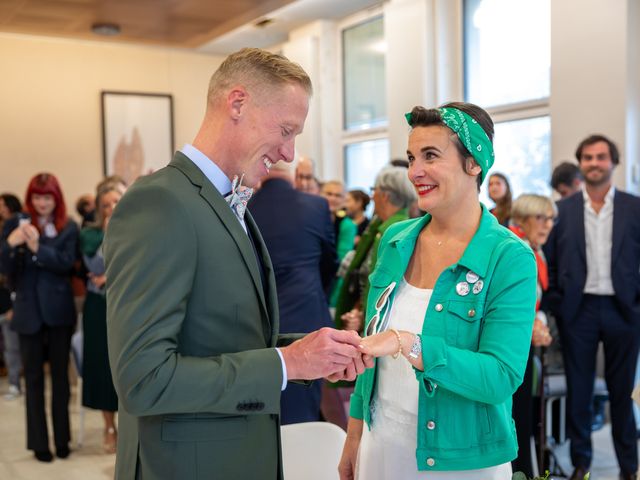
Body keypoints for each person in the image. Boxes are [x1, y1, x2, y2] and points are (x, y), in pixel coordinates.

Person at [104, 47, 369, 480]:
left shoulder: (229, 201)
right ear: (238, 103)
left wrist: (313, 353)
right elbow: (143, 378)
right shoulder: (160, 202)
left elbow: (219, 335)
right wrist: (287, 363)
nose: (288, 152)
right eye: (286, 130)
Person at [339, 103, 537, 479]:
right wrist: (354, 434)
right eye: (412, 157)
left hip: (460, 460)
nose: (415, 171)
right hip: (380, 444)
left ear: (474, 163)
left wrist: (407, 343)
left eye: (431, 156)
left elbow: (500, 376)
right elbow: (372, 345)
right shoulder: (395, 241)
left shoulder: (508, 257)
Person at [544, 134, 640, 480]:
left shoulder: (634, 206)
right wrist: (556, 302)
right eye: (587, 157)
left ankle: (629, 468)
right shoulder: (563, 210)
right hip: (578, 312)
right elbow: (549, 260)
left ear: (613, 162)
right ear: (581, 164)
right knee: (579, 392)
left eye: (601, 157)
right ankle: (581, 465)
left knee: (622, 394)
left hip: (624, 312)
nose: (594, 163)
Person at [249, 159, 337, 424]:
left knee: (262, 409)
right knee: (304, 412)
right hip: (306, 313)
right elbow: (329, 263)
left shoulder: (244, 208)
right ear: (293, 173)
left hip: (256, 320)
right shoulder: (316, 206)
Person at [0, 173, 78, 462]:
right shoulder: (15, 224)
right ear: (30, 198)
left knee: (59, 380)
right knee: (32, 380)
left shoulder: (68, 226)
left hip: (58, 312)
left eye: (47, 197)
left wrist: (37, 248)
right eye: (37, 197)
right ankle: (39, 444)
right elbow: (4, 266)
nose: (42, 203)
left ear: (55, 199)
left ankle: (62, 440)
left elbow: (67, 263)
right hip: (28, 311)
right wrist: (10, 243)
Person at [508, 194, 555, 476]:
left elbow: (536, 302)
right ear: (524, 219)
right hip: (511, 346)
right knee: (516, 418)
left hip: (524, 344)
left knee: (524, 417)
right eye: (541, 218)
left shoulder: (536, 251)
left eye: (551, 219)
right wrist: (533, 325)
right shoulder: (517, 248)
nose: (548, 225)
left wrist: (540, 322)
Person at [80, 184, 122, 453]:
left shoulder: (139, 227)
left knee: (124, 363)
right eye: (105, 205)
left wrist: (108, 276)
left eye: (116, 201)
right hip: (98, 307)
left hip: (126, 304)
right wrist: (109, 233)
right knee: (102, 365)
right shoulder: (90, 234)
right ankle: (109, 427)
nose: (111, 208)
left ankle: (130, 426)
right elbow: (94, 268)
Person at [0, 193, 24, 400]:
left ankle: (15, 383)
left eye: (3, 205)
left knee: (12, 347)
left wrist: (12, 305)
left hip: (10, 299)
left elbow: (11, 274)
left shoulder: (16, 226)